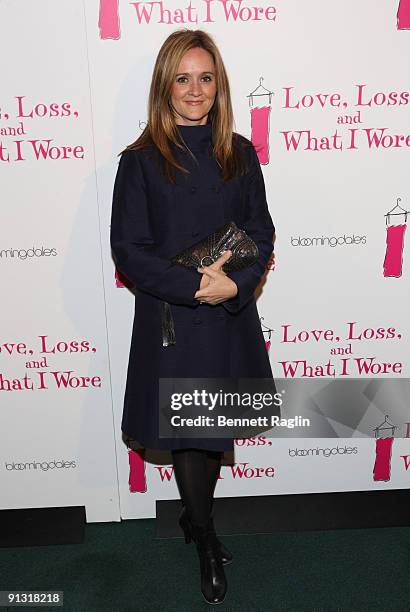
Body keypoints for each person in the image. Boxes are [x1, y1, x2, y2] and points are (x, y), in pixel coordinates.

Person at [110, 29, 275, 605]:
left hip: (228, 311)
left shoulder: (240, 152)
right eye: (184, 78)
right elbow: (128, 249)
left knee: (212, 432)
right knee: (190, 433)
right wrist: (192, 288)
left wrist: (235, 285)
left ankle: (195, 519)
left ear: (218, 84)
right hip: (172, 322)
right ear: (165, 85)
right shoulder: (140, 162)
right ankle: (203, 533)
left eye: (206, 78)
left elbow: (261, 230)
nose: (196, 90)